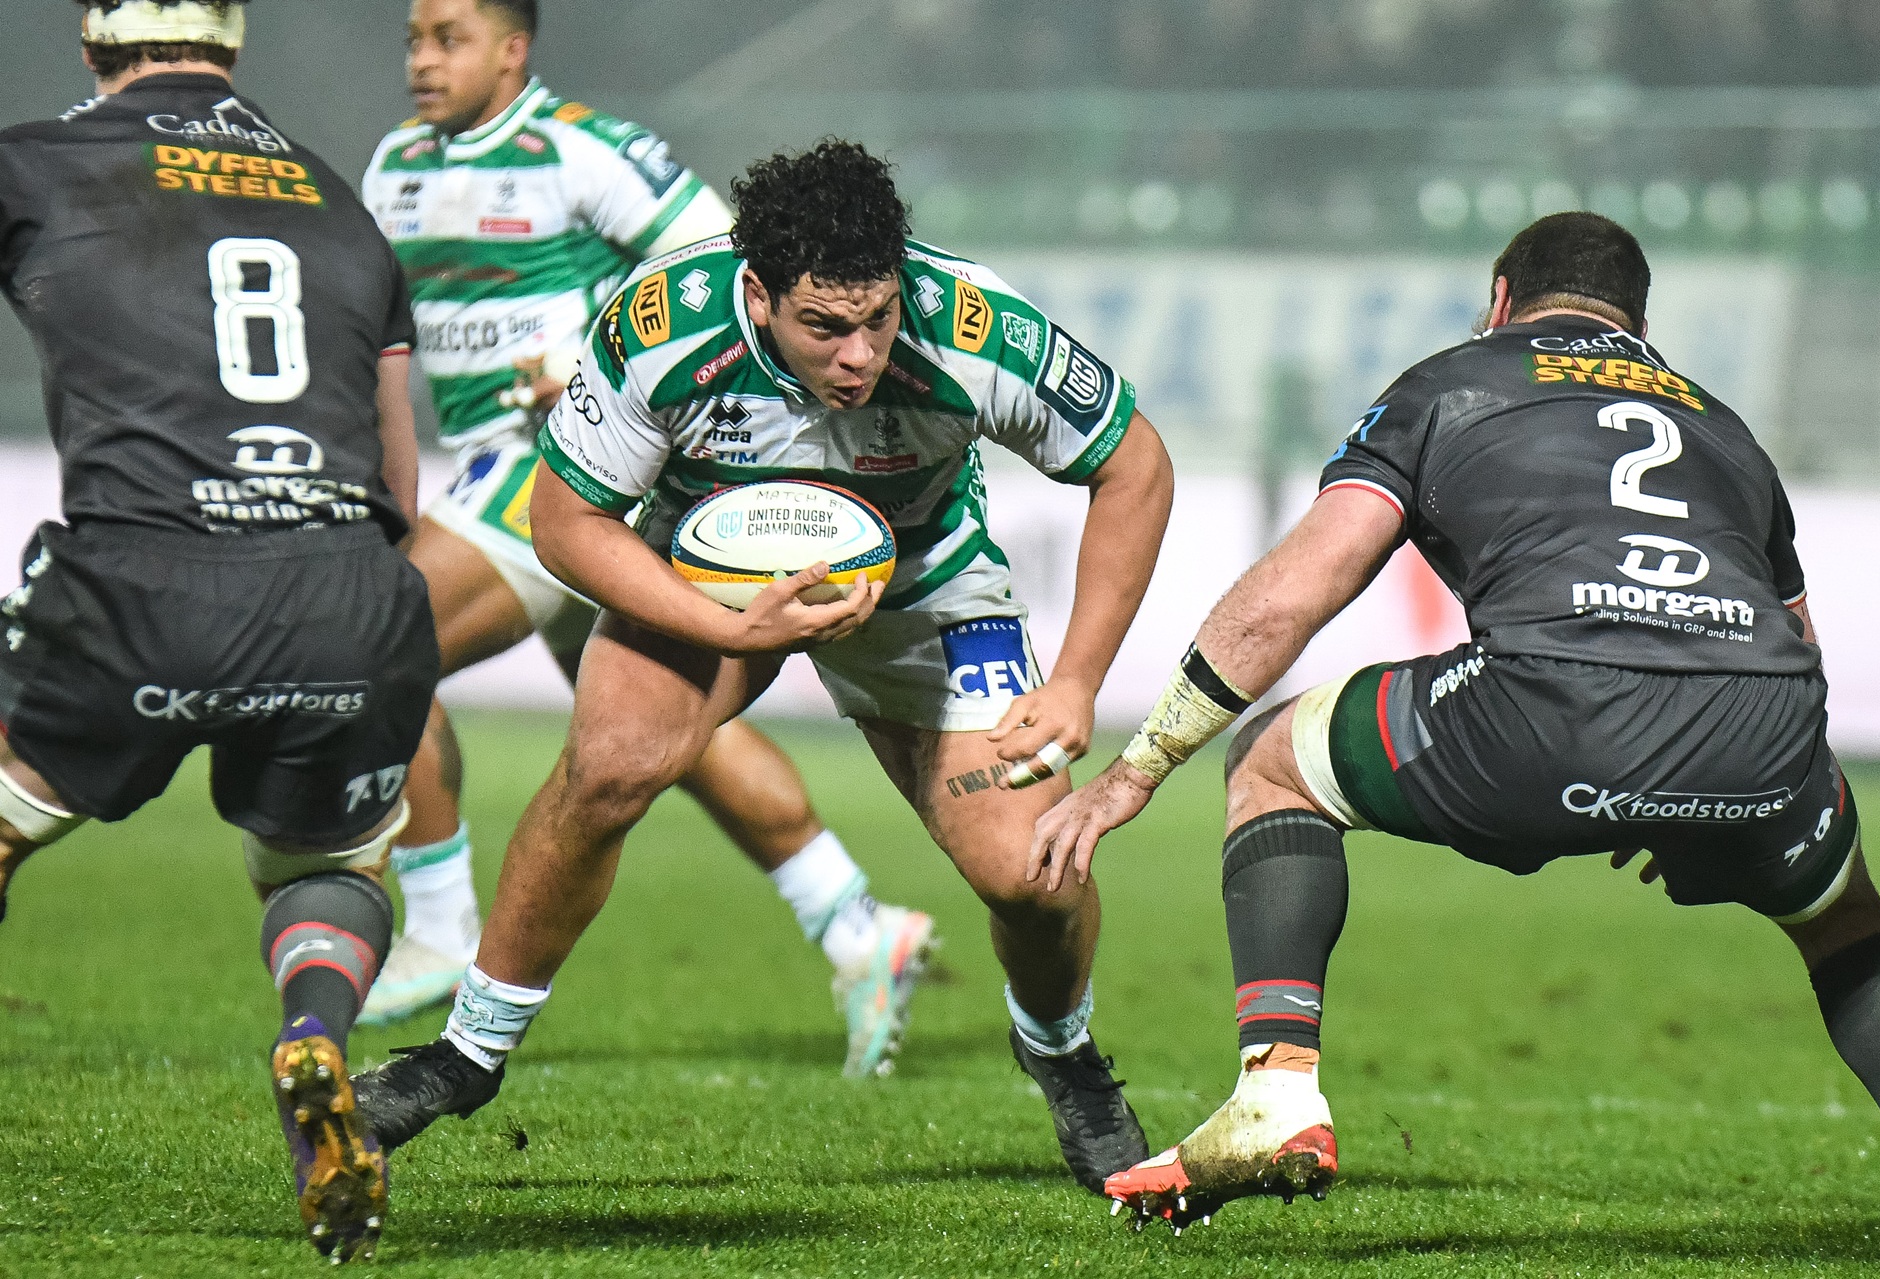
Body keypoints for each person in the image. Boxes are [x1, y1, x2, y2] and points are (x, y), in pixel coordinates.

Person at [1036, 212, 1880, 1229]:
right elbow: (1797, 639)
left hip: (1551, 708)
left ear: (1500, 299)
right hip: (1765, 728)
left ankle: (1277, 1091)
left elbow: (1291, 596)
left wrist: (1135, 769)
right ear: (1639, 323)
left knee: (1273, 762)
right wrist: (1698, 787)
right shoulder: (1725, 427)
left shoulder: (1450, 384)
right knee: (1850, 919)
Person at [350, 139, 1177, 1193]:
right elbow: (563, 521)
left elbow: (1136, 463)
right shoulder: (664, 324)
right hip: (709, 573)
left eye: (878, 319)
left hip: (921, 586)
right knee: (609, 766)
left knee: (1035, 878)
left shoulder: (975, 326)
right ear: (758, 294)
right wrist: (728, 627)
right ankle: (466, 1054)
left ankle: (1062, 1051)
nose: (860, 355)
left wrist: (1077, 680)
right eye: (825, 326)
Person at [360, 0, 935, 1075]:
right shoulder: (394, 166)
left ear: (512, 48)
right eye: (413, 38)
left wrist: (591, 361)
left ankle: (438, 924)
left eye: (449, 37)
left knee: (372, 648)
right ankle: (855, 923)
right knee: (657, 732)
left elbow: (716, 265)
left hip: (563, 470)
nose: (423, 60)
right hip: (478, 466)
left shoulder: (586, 151)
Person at [0, 0, 443, 1261]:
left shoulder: (34, 161)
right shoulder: (338, 197)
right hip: (346, 598)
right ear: (231, 48)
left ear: (93, 46)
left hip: (139, 586)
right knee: (329, 866)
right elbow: (401, 492)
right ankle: (313, 1036)